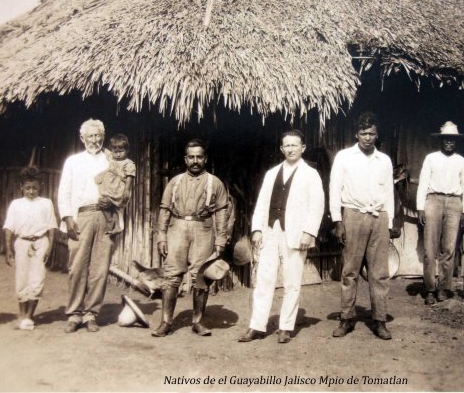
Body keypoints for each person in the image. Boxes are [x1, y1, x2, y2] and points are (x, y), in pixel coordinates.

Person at [238, 129, 325, 344]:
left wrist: (309, 232)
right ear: (281, 148)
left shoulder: (310, 174)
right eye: (287, 145)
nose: (290, 149)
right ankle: (257, 326)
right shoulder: (272, 173)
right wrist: (257, 229)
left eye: (295, 145)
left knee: (292, 280)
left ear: (302, 148)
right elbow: (261, 203)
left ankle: (286, 326)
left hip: (296, 233)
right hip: (271, 230)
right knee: (264, 279)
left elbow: (317, 206)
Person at [152, 139, 229, 337]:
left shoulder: (215, 183)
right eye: (191, 157)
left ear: (205, 159)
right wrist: (161, 236)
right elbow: (164, 209)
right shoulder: (175, 182)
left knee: (201, 275)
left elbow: (221, 213)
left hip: (203, 228)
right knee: (171, 274)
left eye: (199, 157)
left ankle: (198, 321)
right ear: (185, 159)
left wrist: (220, 240)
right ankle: (166, 322)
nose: (195, 161)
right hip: (177, 228)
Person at [329, 112, 394, 340]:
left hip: (379, 217)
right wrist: (338, 221)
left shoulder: (384, 160)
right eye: (364, 133)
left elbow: (389, 192)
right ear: (356, 134)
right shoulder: (344, 157)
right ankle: (346, 318)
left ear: (377, 135)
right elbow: (334, 189)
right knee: (350, 271)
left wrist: (390, 221)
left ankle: (380, 320)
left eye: (372, 133)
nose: (368, 137)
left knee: (380, 273)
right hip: (353, 215)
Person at [57, 119, 114, 333]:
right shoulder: (73, 161)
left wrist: (114, 203)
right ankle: (74, 313)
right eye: (90, 136)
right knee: (77, 267)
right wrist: (67, 217)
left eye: (98, 135)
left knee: (100, 268)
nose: (94, 140)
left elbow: (122, 191)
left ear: (103, 136)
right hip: (81, 216)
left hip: (106, 216)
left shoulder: (111, 160)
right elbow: (64, 192)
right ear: (82, 139)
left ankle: (91, 314)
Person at [417, 121, 464, 305]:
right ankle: (430, 288)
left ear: (456, 142)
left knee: (449, 248)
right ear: (441, 140)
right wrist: (420, 207)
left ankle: (443, 288)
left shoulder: (462, 161)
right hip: (433, 200)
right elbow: (423, 184)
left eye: (452, 139)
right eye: (446, 139)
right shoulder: (431, 158)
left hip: (455, 202)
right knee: (430, 248)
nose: (449, 142)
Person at [3, 166, 58, 330]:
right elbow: (9, 228)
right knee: (22, 279)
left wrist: (50, 248)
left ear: (40, 186)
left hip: (40, 243)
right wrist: (8, 249)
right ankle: (22, 315)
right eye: (27, 188)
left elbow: (52, 227)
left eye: (34, 187)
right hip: (22, 243)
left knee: (37, 279)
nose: (31, 191)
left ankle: (29, 316)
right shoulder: (16, 204)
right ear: (21, 187)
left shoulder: (46, 203)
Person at [96, 133, 136, 236]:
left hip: (119, 189)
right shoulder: (111, 158)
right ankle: (110, 220)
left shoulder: (128, 163)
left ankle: (118, 225)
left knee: (117, 208)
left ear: (127, 150)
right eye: (115, 151)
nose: (118, 154)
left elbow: (130, 177)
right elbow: (104, 150)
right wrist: (97, 142)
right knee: (103, 202)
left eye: (121, 151)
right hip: (108, 188)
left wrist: (127, 190)